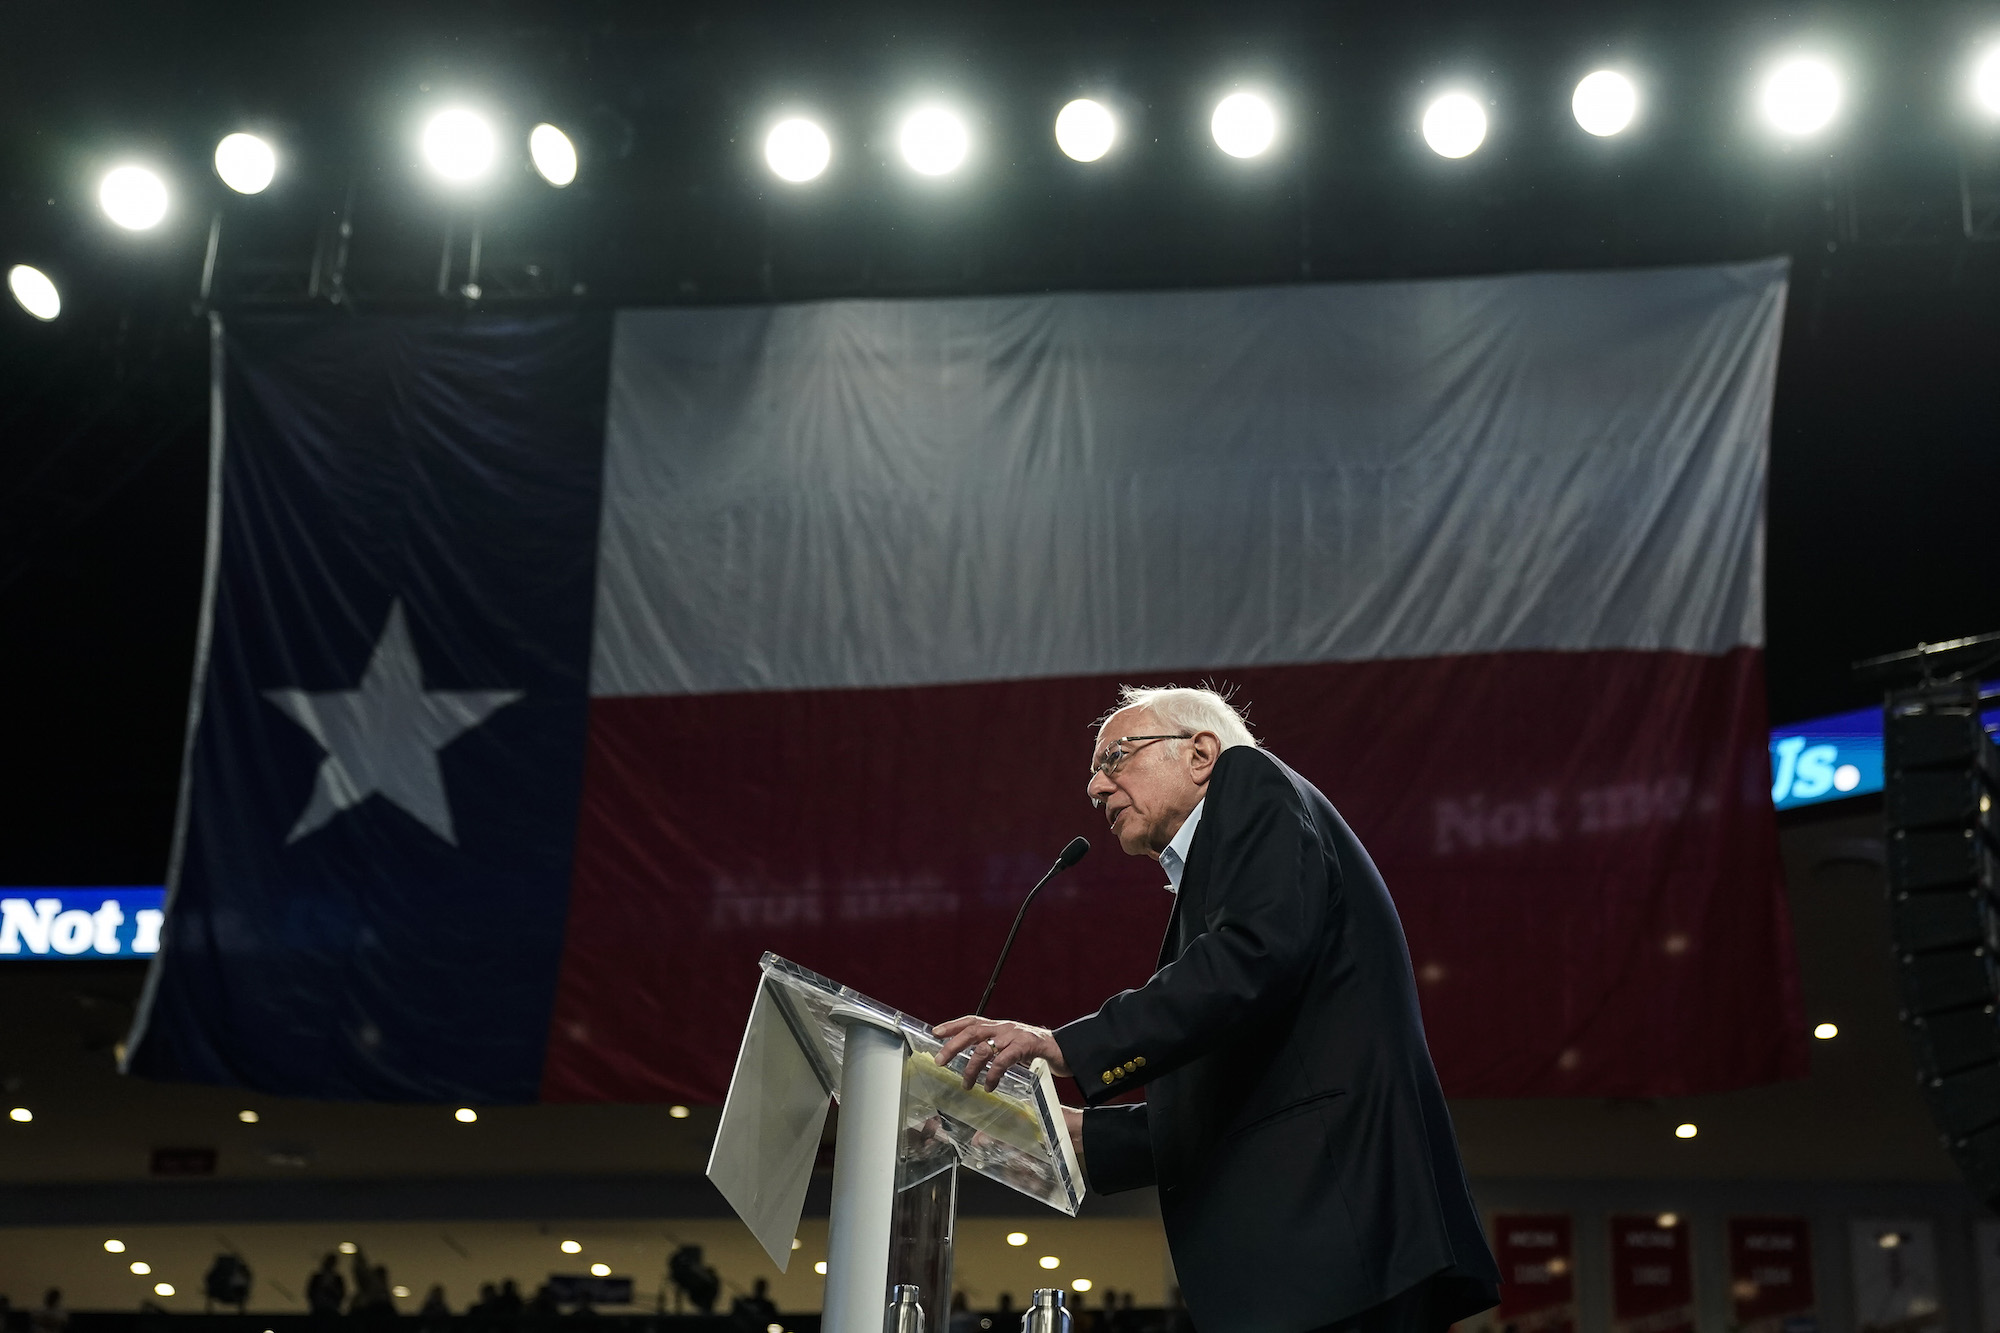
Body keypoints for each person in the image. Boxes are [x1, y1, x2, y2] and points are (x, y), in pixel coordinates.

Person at [936, 686, 1501, 1333]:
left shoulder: (1250, 782)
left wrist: (1065, 1044)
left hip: (1336, 1230)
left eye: (1114, 757)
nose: (1095, 786)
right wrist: (1084, 1133)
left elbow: (1250, 959)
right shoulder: (1228, 880)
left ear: (1201, 752)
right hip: (1324, 1250)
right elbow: (1239, 1092)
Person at [307, 1256, 346, 1323]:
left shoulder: (337, 1279)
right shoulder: (317, 1278)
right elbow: (310, 1292)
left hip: (332, 1308)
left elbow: (341, 1294)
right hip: (319, 1308)